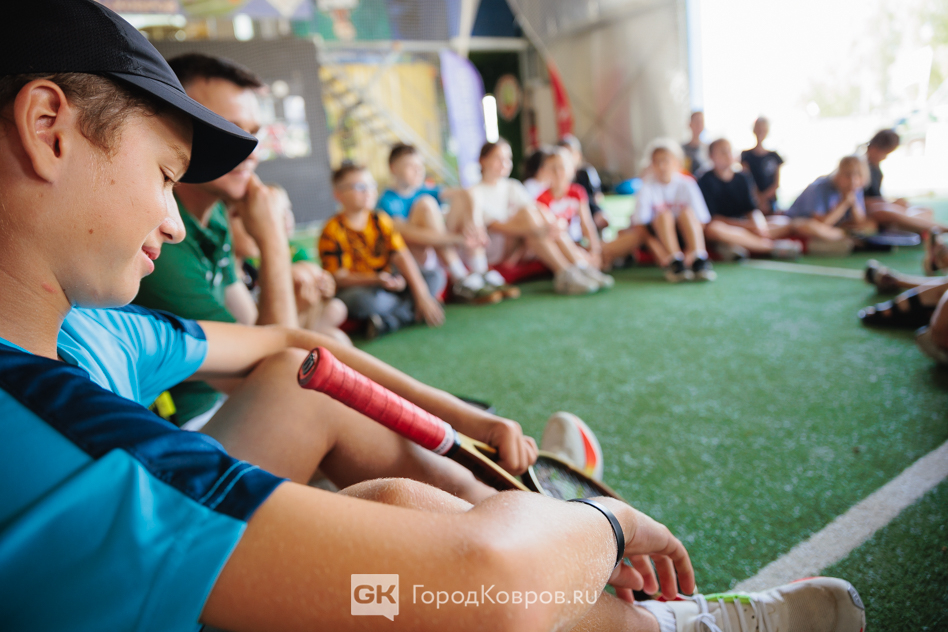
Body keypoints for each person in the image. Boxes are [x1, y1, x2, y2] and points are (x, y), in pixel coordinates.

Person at [0, 5, 870, 631]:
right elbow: (489, 584)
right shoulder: (65, 435)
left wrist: (465, 422)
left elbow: (294, 345)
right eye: (163, 174)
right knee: (435, 573)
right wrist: (606, 527)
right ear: (48, 128)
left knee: (316, 399)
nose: (170, 219)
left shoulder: (83, 333)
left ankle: (577, 558)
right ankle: (650, 615)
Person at [132, 53, 304, 424]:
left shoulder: (216, 215)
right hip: (185, 424)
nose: (251, 150)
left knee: (331, 343)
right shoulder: (160, 236)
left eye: (254, 132)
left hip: (227, 403)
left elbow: (254, 331)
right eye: (229, 128)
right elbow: (273, 376)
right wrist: (272, 238)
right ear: (173, 126)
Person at [465, 140, 613, 294]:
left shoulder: (512, 186)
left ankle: (573, 270)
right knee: (531, 220)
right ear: (483, 160)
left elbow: (537, 209)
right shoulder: (474, 192)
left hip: (525, 239)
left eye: (507, 159)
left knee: (536, 223)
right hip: (497, 247)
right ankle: (578, 267)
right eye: (498, 158)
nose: (504, 163)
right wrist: (541, 228)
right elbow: (495, 226)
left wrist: (553, 224)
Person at [319, 163, 446, 337]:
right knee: (364, 301)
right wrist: (377, 279)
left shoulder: (380, 219)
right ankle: (407, 311)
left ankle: (389, 321)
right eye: (359, 187)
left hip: (387, 282)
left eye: (371, 185)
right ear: (338, 194)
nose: (368, 191)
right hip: (362, 289)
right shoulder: (332, 230)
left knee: (435, 276)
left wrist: (421, 294)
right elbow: (339, 278)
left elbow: (401, 256)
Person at [377, 143, 503, 304]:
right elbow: (408, 236)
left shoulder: (422, 189)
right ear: (393, 168)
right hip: (414, 259)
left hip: (436, 251)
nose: (418, 170)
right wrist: (460, 239)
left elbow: (469, 192)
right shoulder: (387, 201)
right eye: (411, 166)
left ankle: (480, 270)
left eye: (420, 166)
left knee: (461, 199)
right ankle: (460, 277)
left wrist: (474, 223)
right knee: (426, 203)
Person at [228, 186, 349, 343]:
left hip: (281, 336)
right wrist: (298, 310)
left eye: (287, 211)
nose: (255, 225)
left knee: (336, 312)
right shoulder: (235, 275)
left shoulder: (249, 270)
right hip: (270, 344)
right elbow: (262, 340)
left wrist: (325, 286)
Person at [619, 139, 716, 282]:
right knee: (664, 215)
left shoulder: (687, 184)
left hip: (684, 236)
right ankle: (675, 261)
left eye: (665, 160)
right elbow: (640, 225)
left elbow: (701, 220)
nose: (661, 166)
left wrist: (690, 250)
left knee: (687, 213)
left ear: (677, 162)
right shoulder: (646, 187)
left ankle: (698, 258)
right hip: (661, 237)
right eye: (656, 162)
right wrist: (657, 249)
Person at [699, 139, 803, 260]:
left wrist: (759, 226)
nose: (728, 155)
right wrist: (748, 226)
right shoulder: (704, 180)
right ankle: (771, 247)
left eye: (729, 151)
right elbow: (712, 218)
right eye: (723, 152)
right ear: (711, 156)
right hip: (727, 226)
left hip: (745, 225)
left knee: (784, 221)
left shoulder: (742, 177)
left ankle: (740, 244)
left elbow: (752, 209)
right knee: (714, 229)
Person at [535, 147, 610, 281]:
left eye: (561, 167)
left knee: (594, 256)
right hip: (558, 244)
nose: (558, 172)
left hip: (575, 243)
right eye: (553, 168)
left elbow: (586, 224)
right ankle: (583, 270)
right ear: (545, 171)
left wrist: (595, 251)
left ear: (571, 170)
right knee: (560, 233)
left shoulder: (577, 192)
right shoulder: (542, 199)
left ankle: (585, 267)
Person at [862, 128, 946, 239]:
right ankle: (942, 229)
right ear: (874, 148)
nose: (884, 157)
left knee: (925, 210)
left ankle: (918, 229)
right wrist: (891, 203)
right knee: (886, 212)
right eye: (884, 153)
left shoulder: (876, 170)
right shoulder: (859, 168)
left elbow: (877, 197)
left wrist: (894, 202)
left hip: (881, 207)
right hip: (869, 211)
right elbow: (859, 200)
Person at [786, 156, 876, 242]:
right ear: (839, 174)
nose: (853, 180)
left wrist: (853, 203)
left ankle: (845, 237)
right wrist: (844, 203)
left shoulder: (855, 189)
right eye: (848, 175)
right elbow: (821, 224)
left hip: (831, 230)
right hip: (799, 224)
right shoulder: (819, 187)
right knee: (809, 227)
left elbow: (860, 222)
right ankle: (847, 238)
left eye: (859, 175)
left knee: (870, 226)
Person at [559, 134, 610, 232]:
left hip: (590, 208)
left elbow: (597, 196)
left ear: (578, 155)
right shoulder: (559, 176)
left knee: (602, 219)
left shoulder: (586, 172)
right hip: (569, 210)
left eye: (571, 153)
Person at [740, 117, 784, 213]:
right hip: (752, 201)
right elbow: (747, 180)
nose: (760, 132)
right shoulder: (746, 155)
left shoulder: (774, 156)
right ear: (754, 130)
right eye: (758, 129)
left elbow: (776, 184)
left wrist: (764, 199)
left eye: (763, 130)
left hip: (771, 202)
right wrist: (758, 199)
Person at [681, 110, 709, 177]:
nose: (698, 125)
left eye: (701, 122)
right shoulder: (681, 149)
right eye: (696, 121)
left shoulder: (708, 148)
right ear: (689, 124)